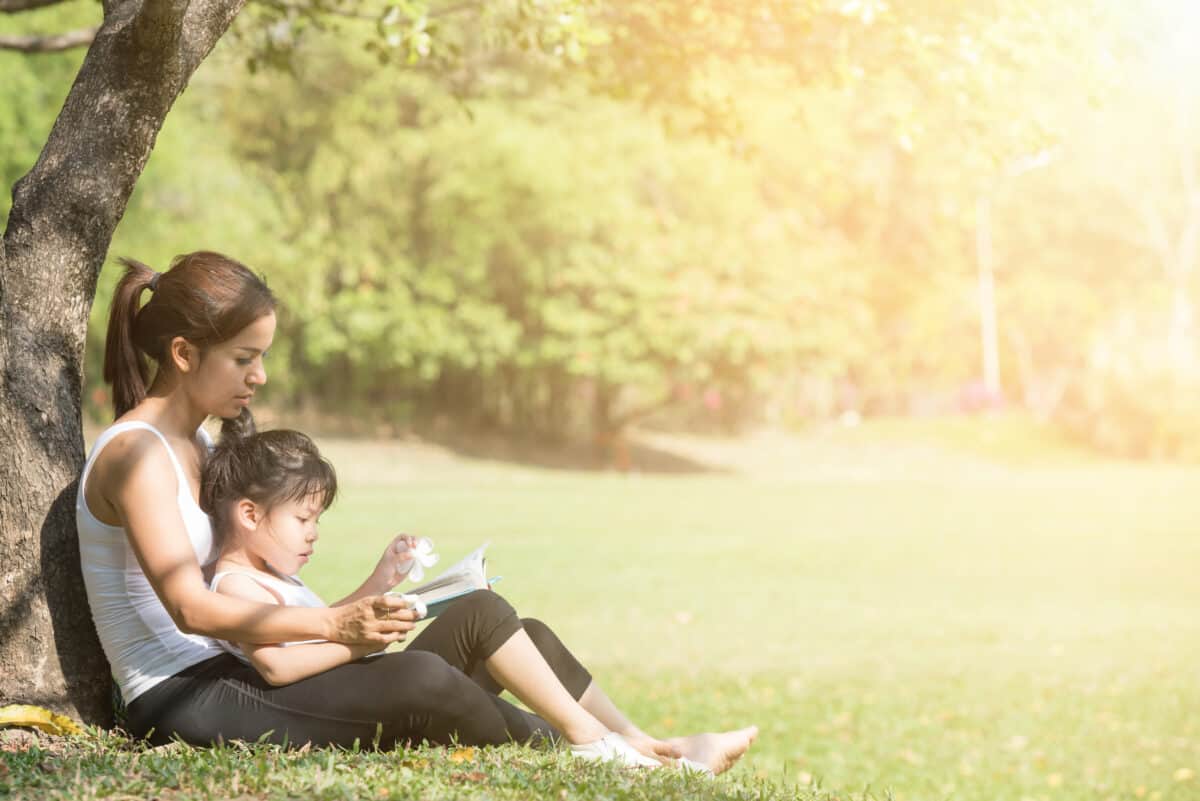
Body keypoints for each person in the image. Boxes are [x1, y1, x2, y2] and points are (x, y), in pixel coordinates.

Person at [76, 250, 757, 773]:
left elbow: (260, 607)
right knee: (425, 678)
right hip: (187, 698)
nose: (259, 377)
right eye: (244, 358)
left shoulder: (194, 443)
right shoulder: (134, 455)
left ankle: (648, 745)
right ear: (184, 353)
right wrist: (337, 621)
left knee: (491, 622)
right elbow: (191, 608)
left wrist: (363, 609)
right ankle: (607, 757)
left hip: (246, 668)